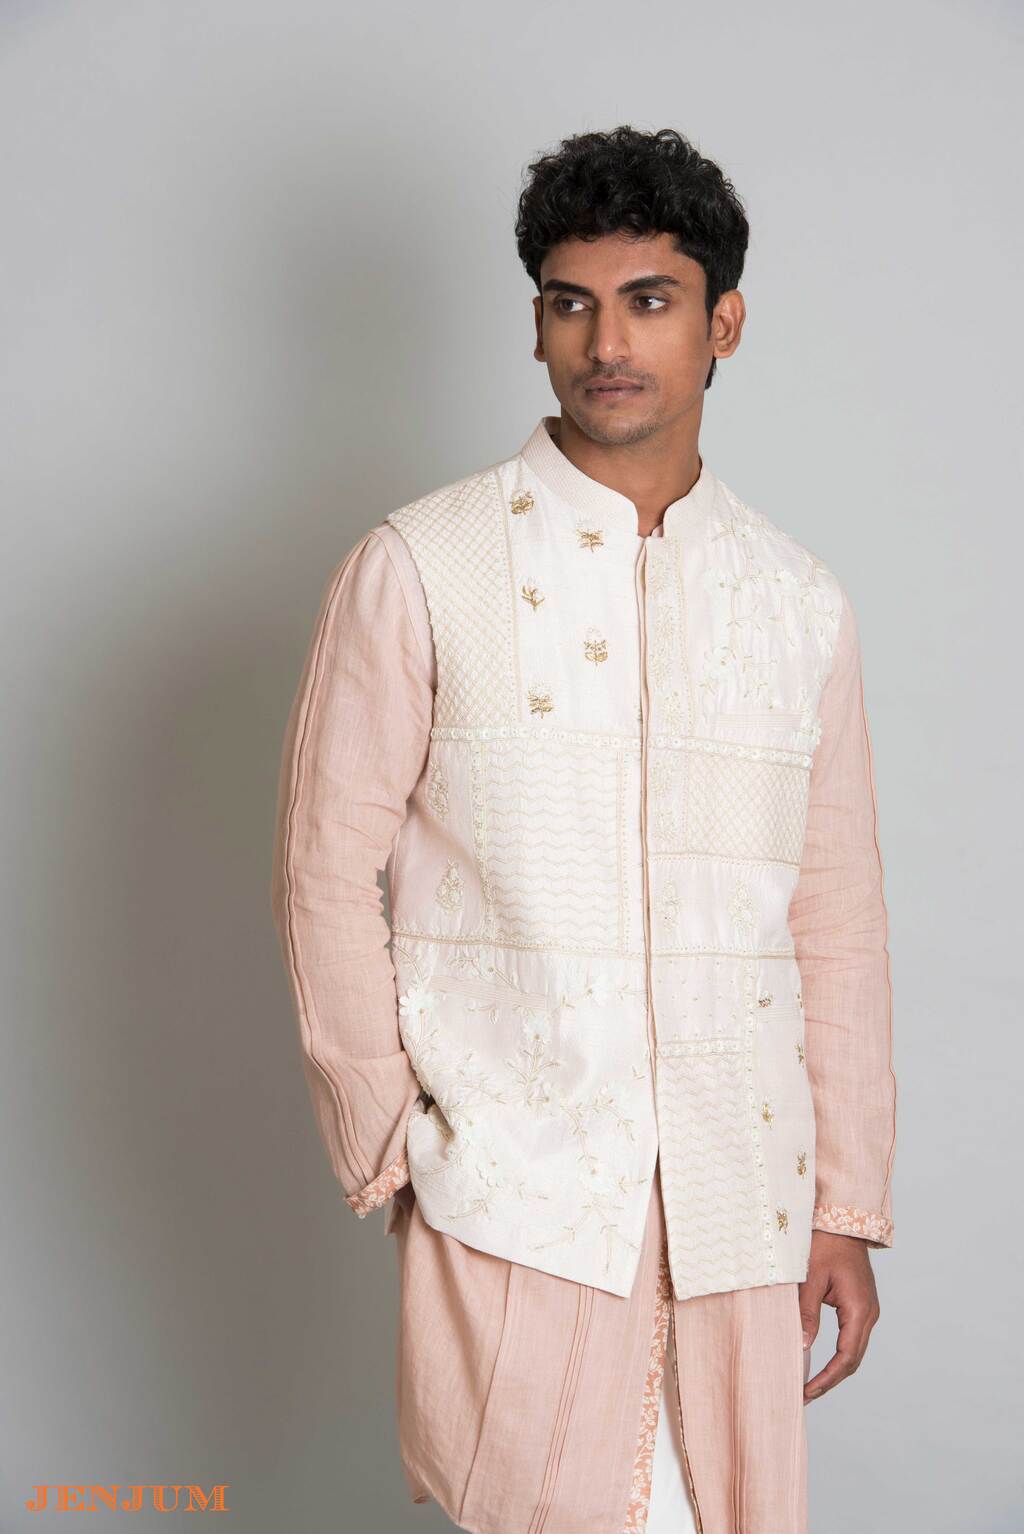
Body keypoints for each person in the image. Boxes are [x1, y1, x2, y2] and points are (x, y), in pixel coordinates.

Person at [269, 125, 896, 1534]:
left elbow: (838, 916)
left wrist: (845, 1204)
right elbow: (322, 874)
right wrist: (396, 1145)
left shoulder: (796, 602)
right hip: (516, 1200)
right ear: (539, 322)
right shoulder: (419, 567)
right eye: (571, 302)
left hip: (742, 1203)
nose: (606, 342)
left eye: (649, 300)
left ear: (724, 322)